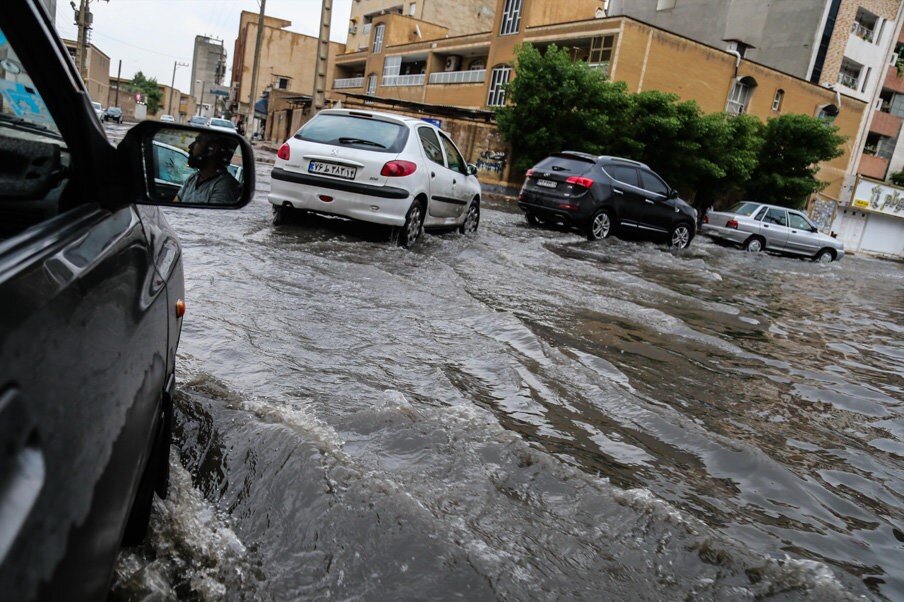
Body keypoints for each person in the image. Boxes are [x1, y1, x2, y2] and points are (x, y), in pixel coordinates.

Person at [175, 131, 242, 205]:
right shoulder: (193, 178)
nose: (190, 146)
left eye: (198, 142)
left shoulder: (224, 187)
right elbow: (176, 204)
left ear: (212, 150)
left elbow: (213, 215)